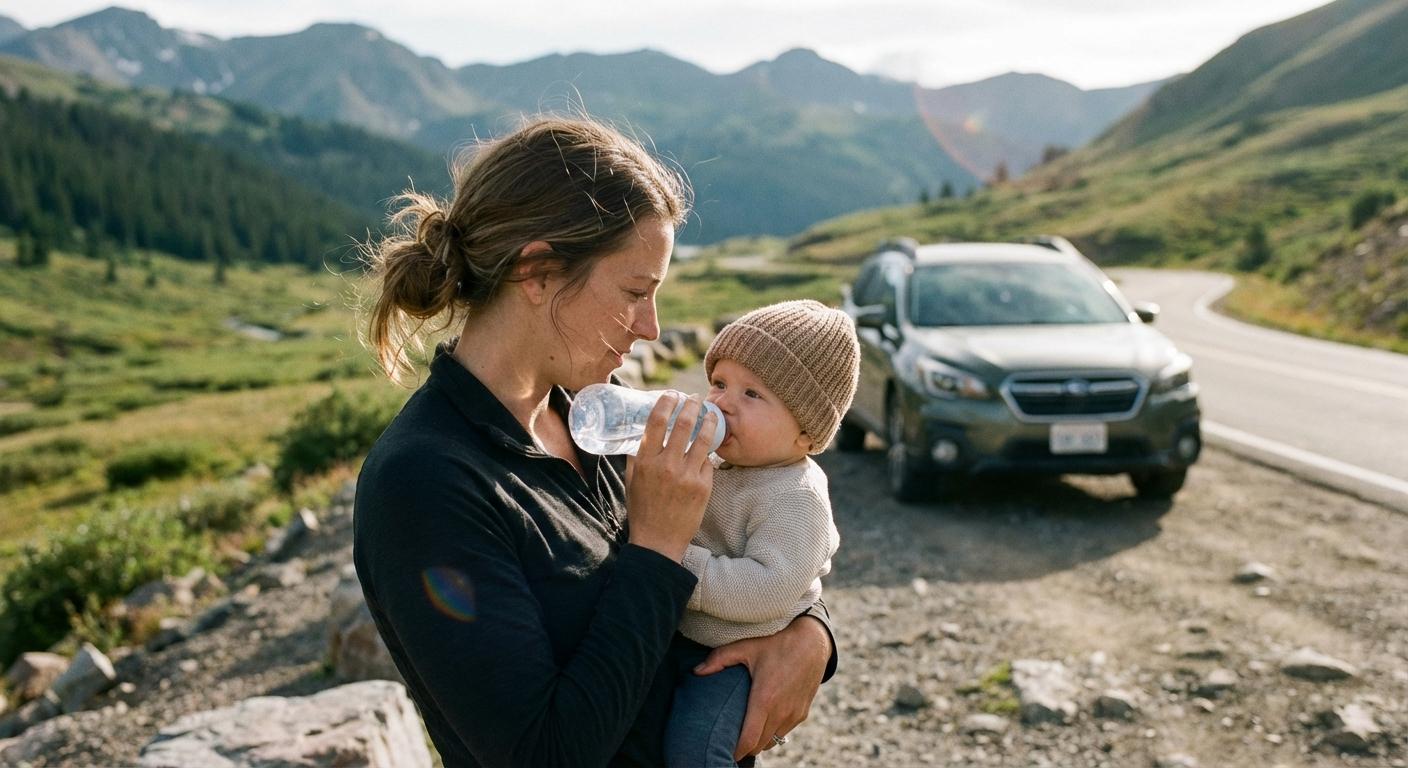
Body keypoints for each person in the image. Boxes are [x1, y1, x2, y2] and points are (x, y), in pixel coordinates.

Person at [351, 116, 837, 768]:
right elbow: (546, 752)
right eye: (635, 291)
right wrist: (659, 547)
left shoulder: (593, 416)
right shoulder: (424, 483)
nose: (651, 328)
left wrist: (812, 636)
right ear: (539, 272)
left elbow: (767, 537)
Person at [664, 300, 859, 767]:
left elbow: (766, 588)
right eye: (719, 383)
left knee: (697, 747)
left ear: (806, 436)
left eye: (753, 395)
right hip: (689, 637)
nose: (723, 402)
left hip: (739, 656)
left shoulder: (796, 495)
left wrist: (674, 558)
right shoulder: (721, 464)